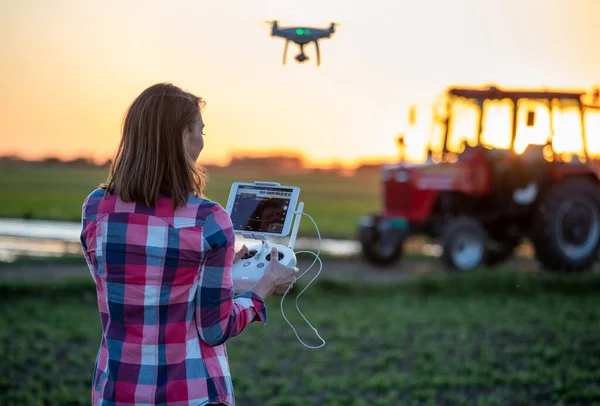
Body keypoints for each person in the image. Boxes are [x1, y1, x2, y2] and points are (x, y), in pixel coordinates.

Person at [79, 82, 298, 406]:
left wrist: (218, 269)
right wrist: (262, 288)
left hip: (116, 392)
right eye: (201, 131)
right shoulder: (208, 220)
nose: (202, 142)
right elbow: (216, 328)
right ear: (183, 136)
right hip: (191, 393)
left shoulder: (97, 208)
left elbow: (141, 283)